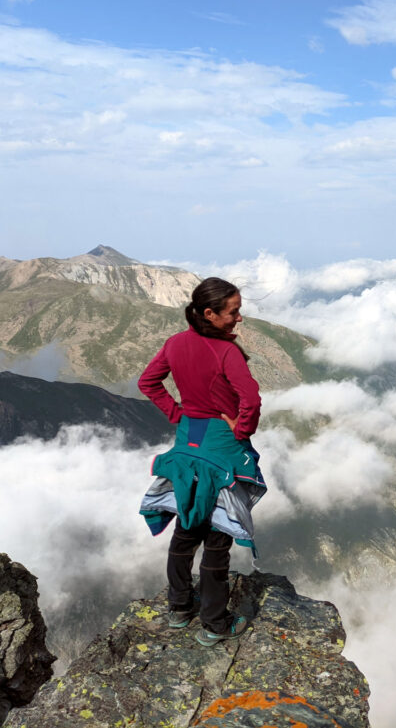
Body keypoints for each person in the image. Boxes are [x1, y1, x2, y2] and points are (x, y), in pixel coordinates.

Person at [138, 277, 262, 646]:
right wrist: (241, 430)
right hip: (220, 447)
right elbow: (251, 400)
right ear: (209, 313)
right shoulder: (227, 353)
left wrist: (177, 414)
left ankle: (179, 609)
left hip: (186, 443)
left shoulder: (175, 343)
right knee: (217, 535)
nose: (239, 318)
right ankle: (214, 624)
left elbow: (148, 382)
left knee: (187, 521)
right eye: (233, 311)